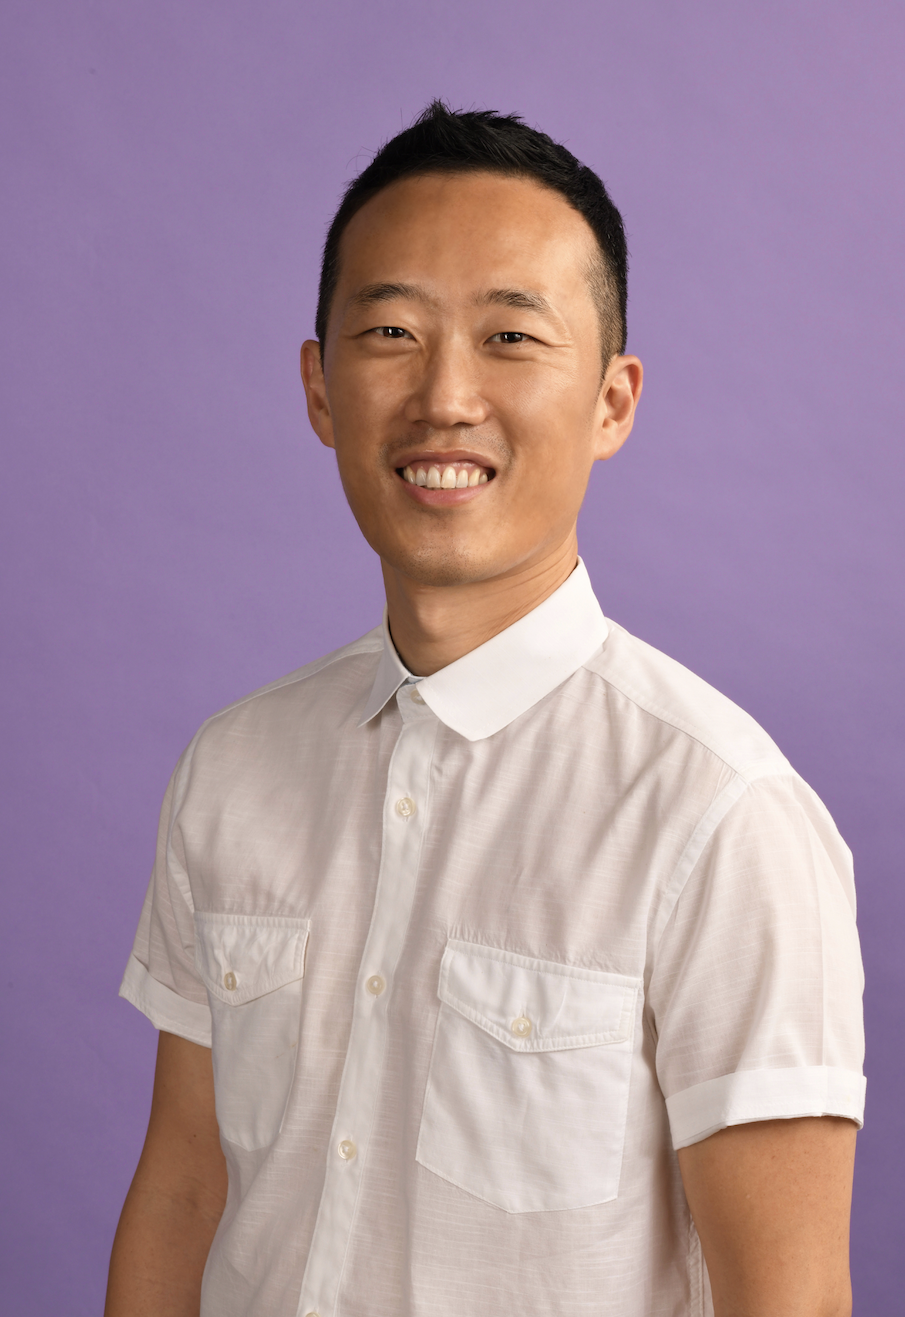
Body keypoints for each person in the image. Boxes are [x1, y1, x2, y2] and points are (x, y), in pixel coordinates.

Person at [105, 102, 865, 1317]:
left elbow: (790, 1300)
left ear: (613, 401)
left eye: (512, 335)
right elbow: (185, 1190)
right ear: (318, 387)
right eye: (392, 330)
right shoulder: (233, 767)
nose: (446, 394)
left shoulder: (723, 817)